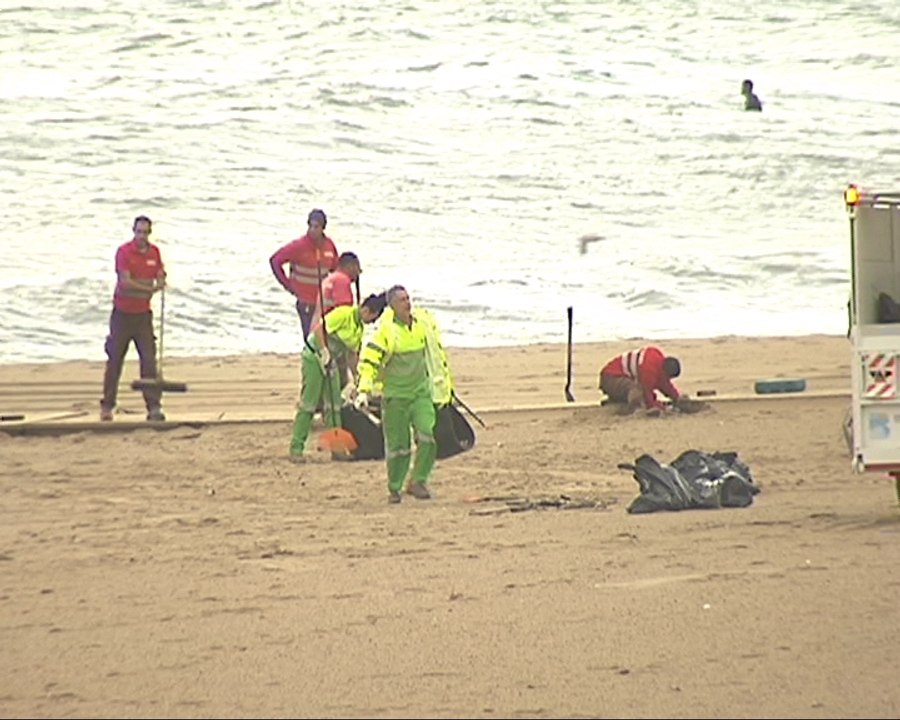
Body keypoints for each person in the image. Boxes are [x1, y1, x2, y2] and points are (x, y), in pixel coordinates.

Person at [353, 285, 454, 504]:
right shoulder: (385, 332)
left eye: (408, 298)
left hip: (421, 394)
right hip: (396, 397)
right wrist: (363, 390)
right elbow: (370, 362)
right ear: (391, 305)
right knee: (399, 447)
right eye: (401, 300)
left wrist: (443, 388)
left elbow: (435, 357)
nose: (407, 303)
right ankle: (395, 487)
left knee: (428, 436)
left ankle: (418, 480)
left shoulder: (421, 326)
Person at [289, 292, 387, 461]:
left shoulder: (358, 329)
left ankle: (337, 449)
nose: (371, 321)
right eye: (372, 317)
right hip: (315, 356)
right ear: (365, 309)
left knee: (333, 406)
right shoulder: (343, 313)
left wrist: (358, 377)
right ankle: (296, 448)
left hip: (331, 362)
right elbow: (320, 329)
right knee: (309, 403)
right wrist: (323, 352)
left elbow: (352, 355)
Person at [99, 215, 167, 422]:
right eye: (138, 232)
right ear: (133, 231)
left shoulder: (154, 252)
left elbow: (159, 271)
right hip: (122, 314)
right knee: (115, 360)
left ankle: (153, 406)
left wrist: (162, 278)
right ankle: (107, 406)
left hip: (143, 315)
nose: (141, 236)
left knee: (148, 361)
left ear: (149, 233)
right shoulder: (124, 252)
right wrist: (150, 287)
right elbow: (126, 282)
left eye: (145, 233)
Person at [269, 208, 339, 340]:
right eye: (310, 226)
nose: (312, 230)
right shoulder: (299, 246)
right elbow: (275, 261)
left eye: (316, 226)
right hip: (306, 302)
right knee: (311, 339)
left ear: (323, 228)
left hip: (325, 303)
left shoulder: (329, 246)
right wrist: (288, 286)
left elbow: (336, 269)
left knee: (327, 339)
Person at [599, 345, 683, 416]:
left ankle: (616, 401)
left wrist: (677, 397)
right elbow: (647, 393)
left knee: (637, 390)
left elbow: (666, 385)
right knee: (636, 391)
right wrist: (655, 406)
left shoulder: (658, 364)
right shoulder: (649, 369)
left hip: (614, 378)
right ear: (666, 373)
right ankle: (634, 409)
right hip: (610, 377)